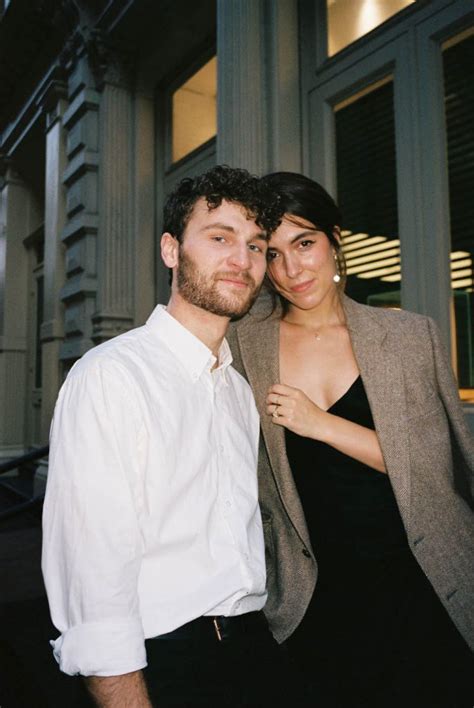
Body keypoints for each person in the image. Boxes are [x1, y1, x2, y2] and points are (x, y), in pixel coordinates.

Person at [41, 165, 288, 707]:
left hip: (253, 646)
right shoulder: (111, 376)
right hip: (168, 661)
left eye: (255, 245)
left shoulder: (238, 390)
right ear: (171, 250)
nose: (241, 261)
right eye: (219, 238)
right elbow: (94, 578)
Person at [228, 171, 474, 707]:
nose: (292, 270)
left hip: (421, 582)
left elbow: (433, 472)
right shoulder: (244, 344)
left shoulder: (410, 335)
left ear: (335, 239)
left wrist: (320, 424)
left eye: (305, 243)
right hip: (314, 593)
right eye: (272, 254)